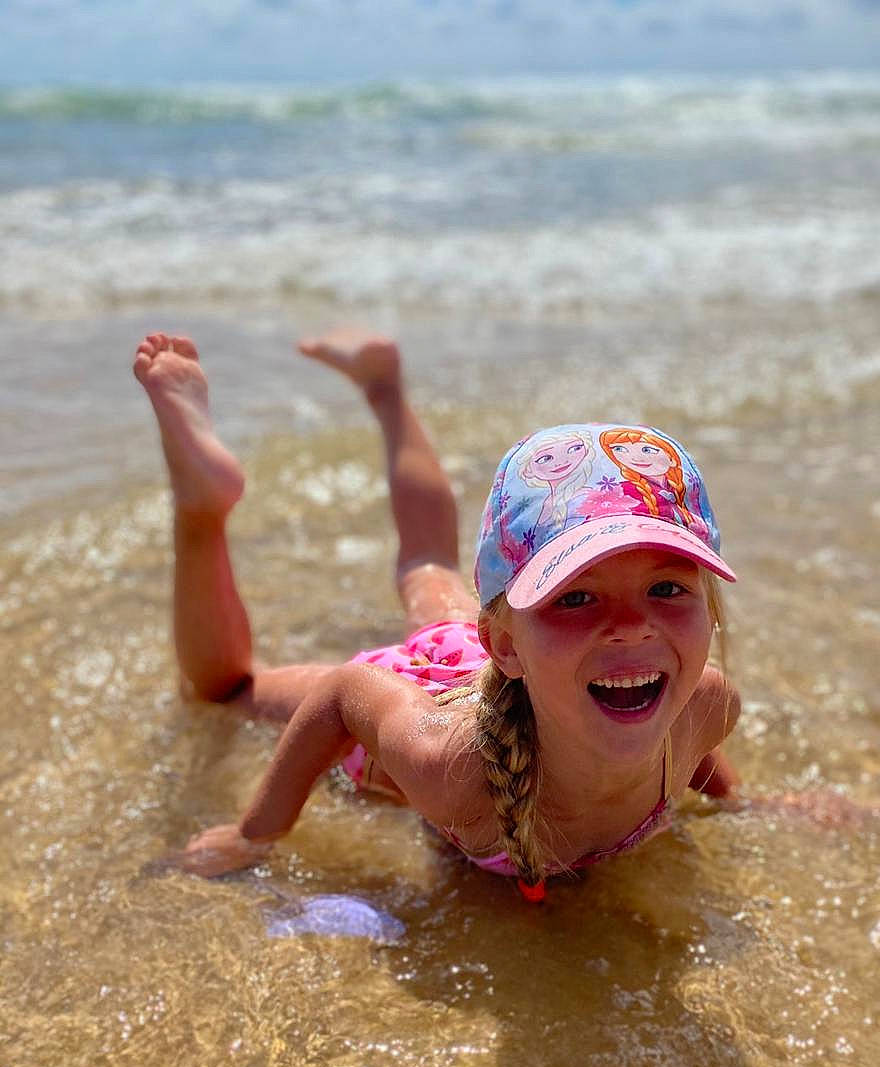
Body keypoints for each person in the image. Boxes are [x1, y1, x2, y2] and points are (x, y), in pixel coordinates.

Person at [134, 328, 748, 899]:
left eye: (667, 590)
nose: (633, 625)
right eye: (577, 597)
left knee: (428, 565)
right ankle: (201, 507)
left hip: (521, 667)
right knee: (225, 687)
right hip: (428, 690)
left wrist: (738, 804)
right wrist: (256, 833)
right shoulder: (448, 771)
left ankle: (384, 385)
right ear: (504, 644)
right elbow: (347, 694)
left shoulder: (707, 705)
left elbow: (686, 738)